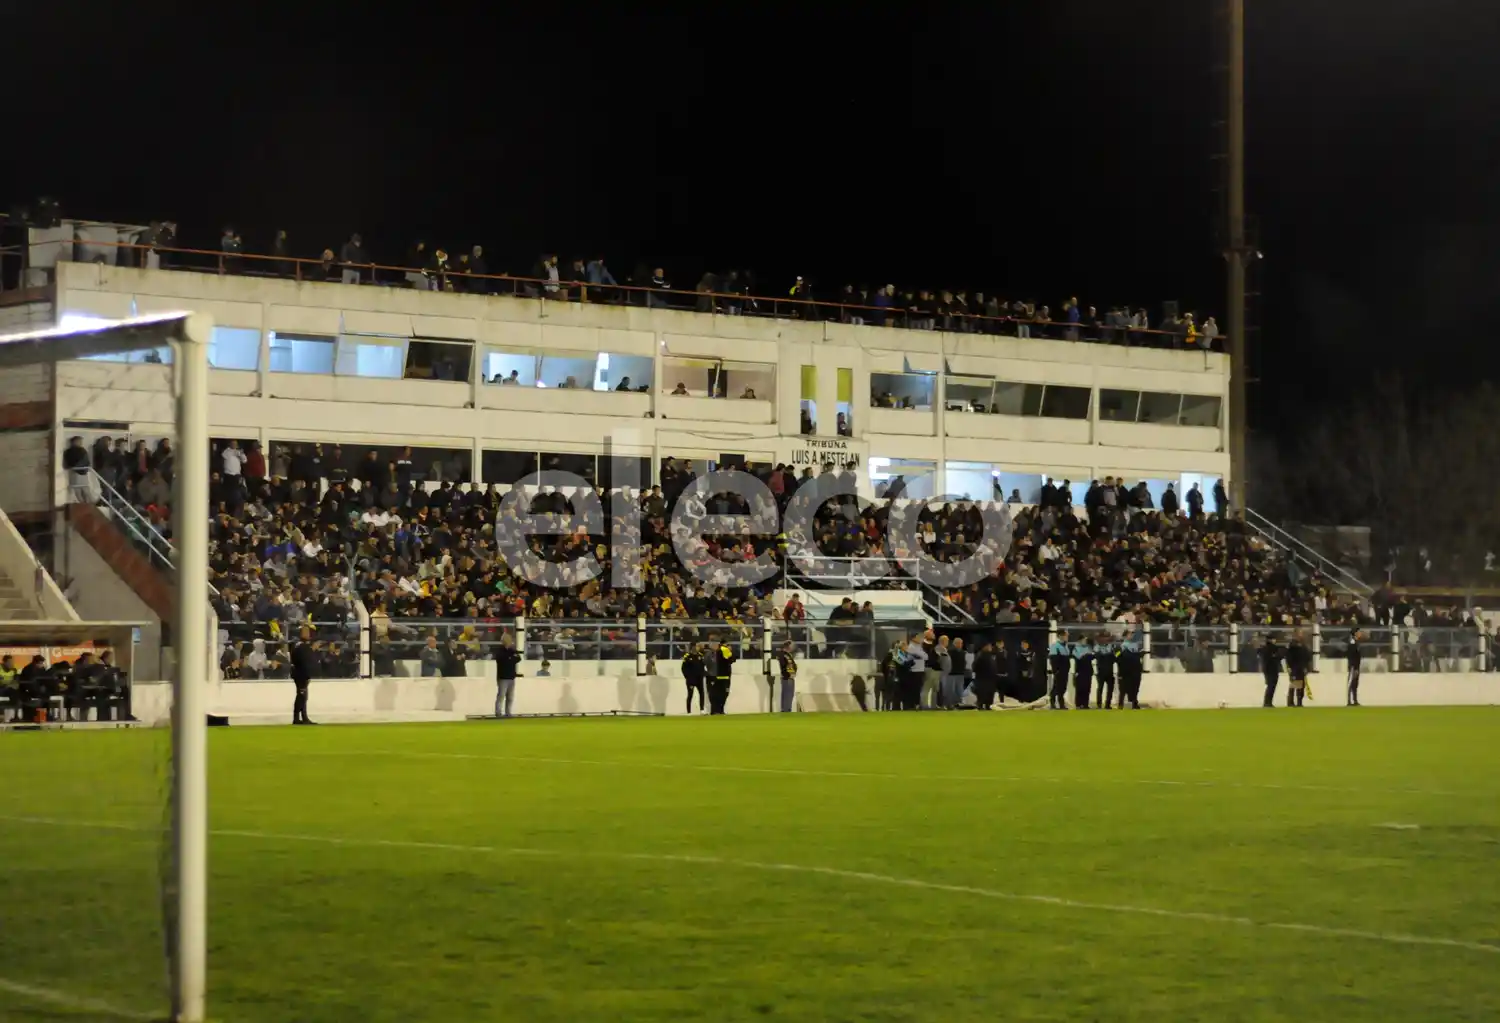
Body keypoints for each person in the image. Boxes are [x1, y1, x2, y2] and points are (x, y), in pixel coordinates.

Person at [290, 626, 317, 725]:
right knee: (301, 696)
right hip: (301, 675)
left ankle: (303, 717)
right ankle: (297, 718)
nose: (308, 634)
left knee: (303, 696)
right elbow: (304, 662)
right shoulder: (301, 647)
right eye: (306, 632)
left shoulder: (300, 646)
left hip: (301, 674)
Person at [494, 633, 521, 718]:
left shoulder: (512, 650)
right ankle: (498, 712)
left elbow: (518, 658)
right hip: (503, 677)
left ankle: (508, 712)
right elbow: (501, 660)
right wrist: (510, 659)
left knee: (510, 697)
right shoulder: (500, 651)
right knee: (501, 695)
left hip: (511, 676)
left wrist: (510, 659)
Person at [708, 636, 736, 714]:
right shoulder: (724, 649)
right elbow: (732, 659)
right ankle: (720, 710)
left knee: (716, 693)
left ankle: (715, 710)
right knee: (724, 694)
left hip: (718, 675)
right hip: (724, 676)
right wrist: (731, 651)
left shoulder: (718, 650)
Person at [1048, 630, 1072, 709]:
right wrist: (1056, 670)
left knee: (1062, 688)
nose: (1067, 637)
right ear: (1061, 636)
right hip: (1059, 670)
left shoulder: (1065, 646)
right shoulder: (1055, 646)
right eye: (1066, 635)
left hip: (1065, 670)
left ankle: (1061, 704)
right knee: (1057, 687)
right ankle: (1053, 703)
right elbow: (1053, 659)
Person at [1286, 632, 1311, 707]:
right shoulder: (1293, 646)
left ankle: (1298, 702)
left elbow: (1307, 657)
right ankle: (1291, 702)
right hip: (1296, 668)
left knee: (1300, 686)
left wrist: (1306, 667)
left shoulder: (1303, 646)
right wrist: (1290, 667)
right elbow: (1289, 658)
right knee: (1295, 685)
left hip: (1300, 668)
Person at [681, 643, 706, 714]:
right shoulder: (687, 656)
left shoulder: (700, 656)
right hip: (691, 680)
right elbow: (683, 668)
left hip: (699, 679)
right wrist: (688, 677)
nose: (697, 648)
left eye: (698, 646)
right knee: (690, 695)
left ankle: (702, 710)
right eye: (696, 646)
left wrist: (703, 674)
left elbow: (702, 667)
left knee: (702, 693)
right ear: (693, 647)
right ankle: (689, 711)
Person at [1072, 636, 1095, 709]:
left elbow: (1093, 656)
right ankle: (1078, 704)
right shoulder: (1076, 648)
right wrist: (1086, 655)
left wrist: (1088, 655)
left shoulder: (1088, 648)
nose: (1085, 641)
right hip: (1080, 671)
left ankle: (1085, 704)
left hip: (1088, 671)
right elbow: (1079, 658)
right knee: (1080, 688)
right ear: (1080, 640)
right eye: (1084, 640)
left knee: (1087, 688)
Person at [776, 640, 798, 713]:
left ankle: (786, 709)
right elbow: (784, 666)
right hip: (787, 677)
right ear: (788, 646)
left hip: (789, 677)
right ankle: (786, 709)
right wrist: (789, 674)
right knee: (787, 695)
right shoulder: (783, 655)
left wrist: (794, 672)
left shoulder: (787, 655)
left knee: (788, 694)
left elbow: (792, 665)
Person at [1260, 637, 1282, 708]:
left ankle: (1267, 702)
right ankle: (1268, 702)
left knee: (1270, 686)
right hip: (1273, 669)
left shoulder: (1264, 649)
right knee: (1271, 687)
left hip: (1267, 670)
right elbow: (1279, 656)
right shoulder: (1274, 648)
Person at [1095, 637, 1116, 708]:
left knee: (1110, 689)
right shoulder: (1097, 647)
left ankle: (1108, 704)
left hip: (1110, 671)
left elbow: (1115, 658)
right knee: (1100, 688)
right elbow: (1096, 656)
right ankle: (1099, 704)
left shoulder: (1111, 647)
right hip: (1101, 672)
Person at [1346, 630, 1363, 706]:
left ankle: (1355, 700)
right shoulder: (1353, 643)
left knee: (1355, 683)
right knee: (1351, 682)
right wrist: (1355, 667)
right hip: (1353, 666)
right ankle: (1349, 700)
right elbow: (1352, 656)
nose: (1360, 633)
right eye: (1359, 632)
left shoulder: (1356, 642)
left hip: (1356, 666)